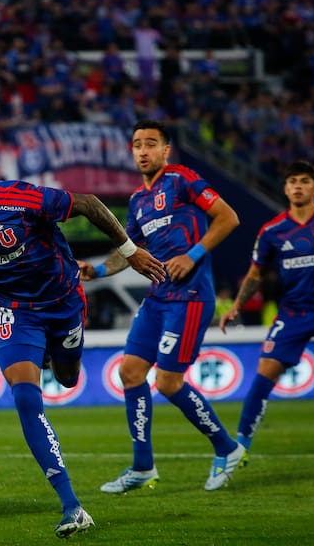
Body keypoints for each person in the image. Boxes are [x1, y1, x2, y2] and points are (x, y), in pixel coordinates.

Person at [0, 158, 166, 539]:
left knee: (67, 376)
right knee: (27, 399)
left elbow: (89, 203)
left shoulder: (18, 199)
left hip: (62, 304)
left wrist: (129, 252)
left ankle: (50, 354)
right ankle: (71, 505)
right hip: (11, 311)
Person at [79, 120, 245, 493]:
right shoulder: (138, 201)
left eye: (150, 144)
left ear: (165, 150)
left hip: (189, 297)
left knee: (169, 382)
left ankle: (227, 447)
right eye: (136, 144)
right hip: (157, 298)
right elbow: (131, 252)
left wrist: (194, 254)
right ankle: (142, 467)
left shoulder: (183, 179)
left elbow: (229, 217)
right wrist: (99, 269)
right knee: (131, 372)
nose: (142, 150)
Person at [219, 160, 314, 477]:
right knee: (262, 379)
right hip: (292, 315)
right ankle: (239, 449)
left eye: (304, 181)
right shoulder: (273, 231)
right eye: (292, 181)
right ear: (286, 188)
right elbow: (255, 274)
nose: (298, 186)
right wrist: (235, 307)